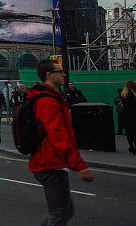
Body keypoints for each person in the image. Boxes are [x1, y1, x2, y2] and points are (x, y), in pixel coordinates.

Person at [29, 60, 94, 225]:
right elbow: (58, 135)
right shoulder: (47, 101)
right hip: (50, 163)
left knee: (64, 211)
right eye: (59, 72)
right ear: (49, 75)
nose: (64, 74)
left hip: (50, 161)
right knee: (59, 215)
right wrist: (79, 165)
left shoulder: (52, 98)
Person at [120, 81, 136, 155]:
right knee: (135, 133)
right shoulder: (130, 94)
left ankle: (131, 147)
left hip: (126, 115)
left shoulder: (123, 94)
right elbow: (135, 103)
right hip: (133, 115)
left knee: (129, 133)